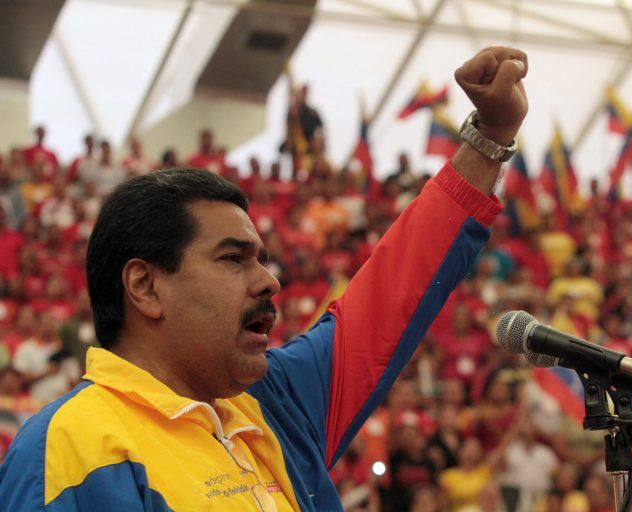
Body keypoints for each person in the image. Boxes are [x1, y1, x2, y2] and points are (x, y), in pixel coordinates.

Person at [0, 46, 529, 510]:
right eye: (233, 259)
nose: (269, 282)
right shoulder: (72, 447)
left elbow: (395, 290)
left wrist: (489, 138)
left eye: (261, 258)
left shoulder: (274, 401)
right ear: (144, 286)